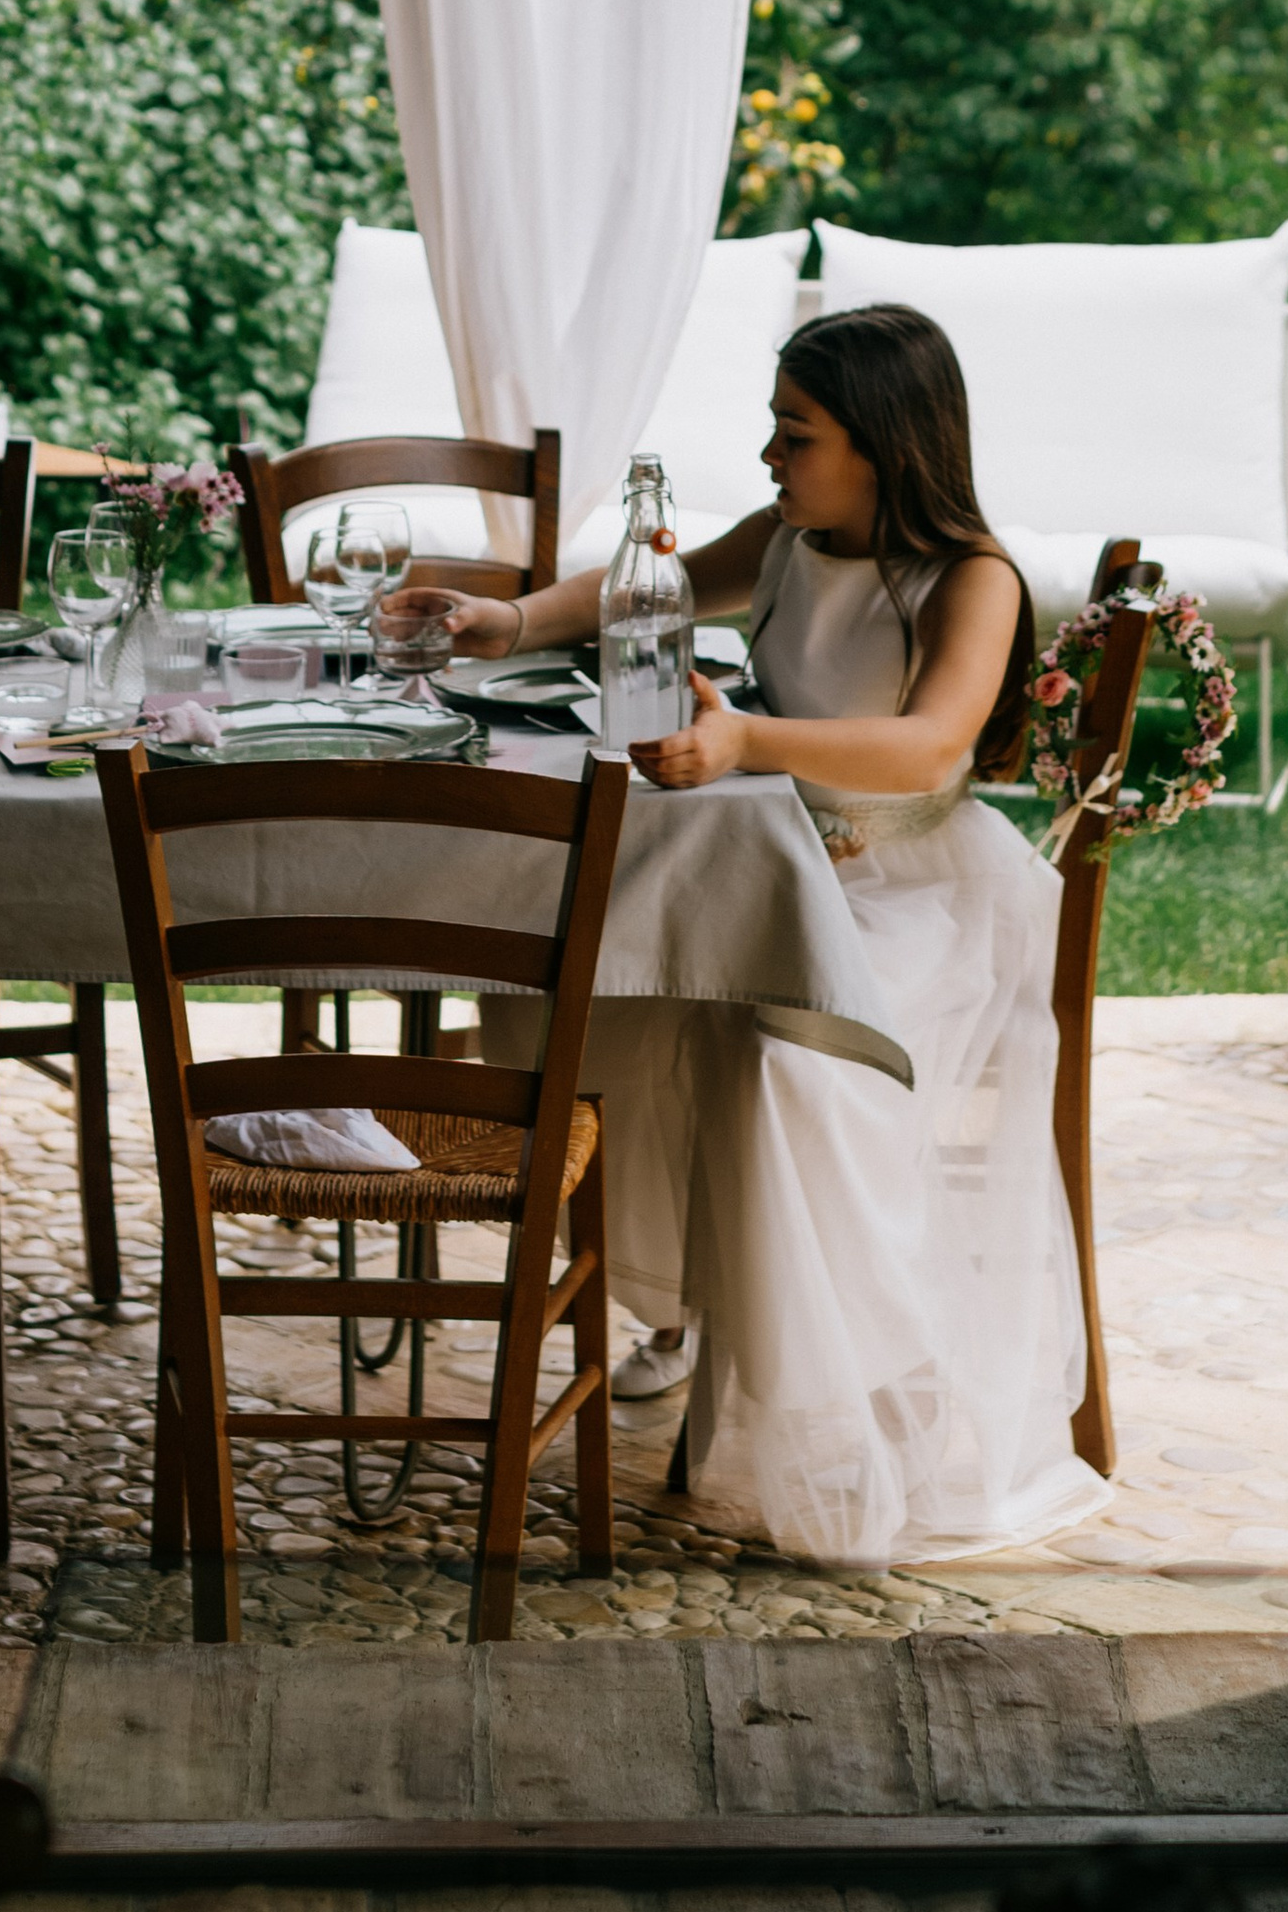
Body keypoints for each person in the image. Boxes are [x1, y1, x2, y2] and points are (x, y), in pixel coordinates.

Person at [437, 301, 1109, 1571]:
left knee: (783, 1060)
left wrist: (748, 739)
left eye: (793, 434)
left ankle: (862, 1383)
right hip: (769, 870)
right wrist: (510, 621)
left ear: (883, 444)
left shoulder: (970, 578)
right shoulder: (798, 537)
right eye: (774, 429)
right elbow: (658, 587)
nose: (768, 458)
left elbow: (930, 748)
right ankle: (704, 1306)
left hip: (907, 896)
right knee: (586, 991)